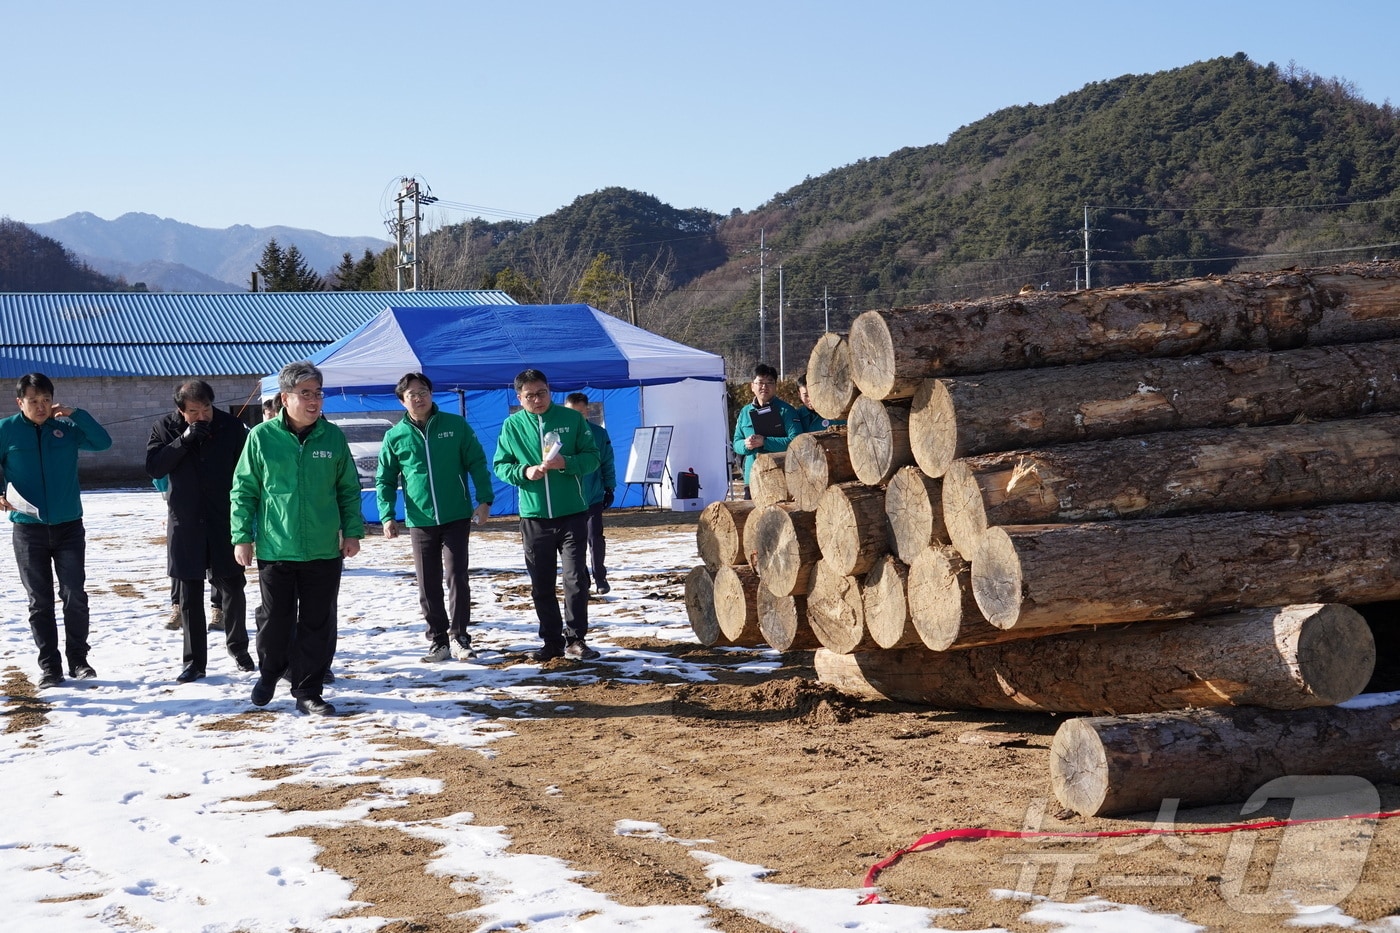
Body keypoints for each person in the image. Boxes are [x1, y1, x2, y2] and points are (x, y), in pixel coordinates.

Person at [231, 361, 363, 715]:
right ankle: (271, 672)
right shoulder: (261, 438)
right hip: (278, 547)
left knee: (317, 623)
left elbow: (348, 489)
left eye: (318, 393)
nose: (314, 400)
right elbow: (244, 491)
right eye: (305, 393)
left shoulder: (331, 436)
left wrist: (352, 532)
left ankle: (309, 691)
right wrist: (242, 536)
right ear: (285, 398)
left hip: (323, 548)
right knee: (276, 620)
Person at [0, 373, 112, 688]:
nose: (40, 406)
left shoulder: (64, 428)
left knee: (75, 594)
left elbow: (103, 443)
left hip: (68, 527)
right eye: (33, 401)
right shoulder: (6, 430)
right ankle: (50, 666)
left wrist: (76, 414)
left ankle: (79, 660)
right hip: (28, 529)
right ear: (19, 402)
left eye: (46, 400)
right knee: (40, 600)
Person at [375, 372, 494, 663]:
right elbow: (385, 479)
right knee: (427, 582)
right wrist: (387, 515)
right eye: (412, 394)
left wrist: (484, 500)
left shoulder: (455, 425)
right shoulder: (395, 436)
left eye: (423, 391)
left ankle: (460, 637)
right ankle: (438, 639)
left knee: (457, 576)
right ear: (402, 400)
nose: (419, 397)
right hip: (420, 520)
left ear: (431, 393)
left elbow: (477, 462)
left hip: (456, 515)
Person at [146, 380, 254, 683]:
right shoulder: (165, 427)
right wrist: (184, 440)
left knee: (233, 586)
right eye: (194, 411)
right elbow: (154, 467)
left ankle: (239, 648)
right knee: (189, 593)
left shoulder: (231, 427)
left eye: (206, 408)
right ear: (181, 410)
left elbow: (247, 471)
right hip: (186, 521)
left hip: (224, 519)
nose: (202, 415)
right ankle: (194, 661)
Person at [492, 369, 602, 662]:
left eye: (542, 393)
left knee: (576, 577)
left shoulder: (572, 420)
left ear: (549, 390)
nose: (537, 400)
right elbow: (500, 465)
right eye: (530, 396)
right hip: (534, 515)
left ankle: (576, 639)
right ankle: (551, 641)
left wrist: (567, 463)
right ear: (519, 397)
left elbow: (593, 458)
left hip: (573, 513)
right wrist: (524, 472)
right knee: (541, 582)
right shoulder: (512, 426)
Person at [562, 393, 616, 595]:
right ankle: (582, 577)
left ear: (586, 411)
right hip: (569, 497)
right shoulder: (561, 434)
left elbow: (607, 461)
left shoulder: (599, 434)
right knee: (574, 540)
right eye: (570, 412)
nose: (575, 416)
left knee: (595, 536)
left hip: (593, 495)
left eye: (579, 412)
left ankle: (600, 577)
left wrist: (609, 486)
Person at [731, 363, 801, 497]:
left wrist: (765, 442)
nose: (764, 387)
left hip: (780, 477)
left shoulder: (786, 411)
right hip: (752, 477)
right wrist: (746, 444)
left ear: (775, 386)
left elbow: (796, 441)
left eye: (770, 382)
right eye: (760, 382)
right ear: (752, 386)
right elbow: (736, 443)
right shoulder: (745, 412)